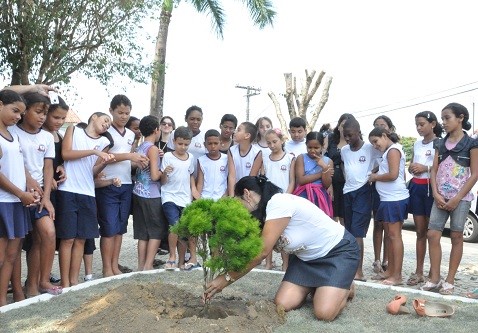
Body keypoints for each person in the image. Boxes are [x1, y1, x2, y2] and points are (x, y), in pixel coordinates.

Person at [204, 176, 359, 322]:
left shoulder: (278, 203)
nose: (238, 208)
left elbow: (261, 252)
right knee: (282, 303)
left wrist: (226, 278)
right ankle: (322, 286)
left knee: (324, 313)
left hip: (338, 251)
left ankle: (347, 284)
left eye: (237, 201)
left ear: (246, 194)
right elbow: (247, 249)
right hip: (305, 259)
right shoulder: (259, 215)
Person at [421, 103, 478, 295]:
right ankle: (434, 278)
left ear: (460, 118)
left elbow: (475, 174)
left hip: (460, 199)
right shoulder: (439, 143)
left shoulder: (471, 144)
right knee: (432, 234)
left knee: (456, 236)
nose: (443, 122)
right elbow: (434, 170)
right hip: (440, 198)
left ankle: (450, 280)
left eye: (447, 118)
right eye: (442, 118)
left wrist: (457, 198)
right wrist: (436, 193)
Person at [55, 112, 115, 288]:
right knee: (67, 238)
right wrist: (94, 151)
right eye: (105, 120)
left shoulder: (104, 142)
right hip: (68, 189)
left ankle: (74, 281)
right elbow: (66, 154)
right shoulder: (74, 130)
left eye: (109, 125)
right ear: (94, 117)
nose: (106, 125)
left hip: (88, 192)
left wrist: (104, 162)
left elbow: (92, 170)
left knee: (81, 239)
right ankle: (65, 282)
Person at [11, 92, 61, 297]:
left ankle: (38, 282)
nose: (42, 117)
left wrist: (47, 197)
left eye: (45, 113)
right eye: (38, 111)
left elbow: (48, 168)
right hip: (16, 196)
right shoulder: (12, 132)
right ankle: (16, 290)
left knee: (47, 234)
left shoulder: (47, 137)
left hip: (40, 196)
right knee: (16, 244)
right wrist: (28, 181)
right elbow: (14, 161)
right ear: (25, 111)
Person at [95, 95, 149, 277]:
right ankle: (106, 268)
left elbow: (129, 160)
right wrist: (129, 156)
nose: (124, 116)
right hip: (107, 184)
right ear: (110, 111)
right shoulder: (105, 131)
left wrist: (139, 161)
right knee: (109, 229)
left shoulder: (132, 134)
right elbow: (102, 158)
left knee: (120, 228)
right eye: (120, 112)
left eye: (127, 113)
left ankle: (114, 265)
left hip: (126, 184)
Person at [0, 90, 39, 306]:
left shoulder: (13, 134)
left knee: (11, 256)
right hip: (3, 202)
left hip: (17, 203)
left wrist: (31, 185)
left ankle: (2, 304)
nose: (18, 117)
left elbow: (18, 164)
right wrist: (20, 193)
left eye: (21, 113)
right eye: (15, 110)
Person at [368, 127, 409, 286]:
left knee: (394, 236)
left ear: (384, 136)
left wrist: (375, 177)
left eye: (376, 141)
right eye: (372, 143)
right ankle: (390, 271)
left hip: (395, 199)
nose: (375, 145)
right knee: (390, 238)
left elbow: (393, 175)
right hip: (387, 199)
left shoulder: (393, 150)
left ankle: (396, 275)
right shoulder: (388, 151)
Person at [341, 118, 380, 282]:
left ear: (358, 132)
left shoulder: (370, 148)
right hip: (347, 192)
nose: (348, 139)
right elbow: (344, 165)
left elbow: (380, 163)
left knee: (358, 233)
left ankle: (359, 272)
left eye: (350, 135)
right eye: (345, 136)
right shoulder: (344, 150)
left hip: (364, 192)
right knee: (348, 231)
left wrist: (370, 175)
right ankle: (349, 269)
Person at [406, 111, 443, 286]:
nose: (419, 128)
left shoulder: (441, 143)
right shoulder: (416, 144)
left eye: (422, 124)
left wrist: (425, 168)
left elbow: (441, 168)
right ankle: (418, 271)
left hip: (431, 188)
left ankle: (433, 273)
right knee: (420, 232)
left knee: (432, 233)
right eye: (417, 125)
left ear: (433, 124)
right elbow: (413, 164)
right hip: (417, 187)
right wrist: (413, 168)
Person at [161, 126, 200, 271]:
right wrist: (164, 172)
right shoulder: (167, 156)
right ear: (174, 141)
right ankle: (172, 256)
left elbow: (190, 175)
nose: (183, 147)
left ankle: (182, 261)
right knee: (174, 226)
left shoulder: (191, 158)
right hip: (169, 196)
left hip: (185, 198)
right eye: (180, 144)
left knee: (185, 230)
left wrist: (194, 190)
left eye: (186, 144)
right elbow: (162, 181)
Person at [132, 115, 167, 271]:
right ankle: (148, 265)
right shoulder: (153, 149)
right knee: (156, 231)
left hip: (137, 193)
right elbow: (154, 176)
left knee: (142, 233)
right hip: (151, 194)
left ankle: (141, 265)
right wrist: (164, 171)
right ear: (156, 130)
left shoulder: (141, 147)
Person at [263, 128, 295, 270]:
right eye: (268, 143)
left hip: (284, 200)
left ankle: (286, 264)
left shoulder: (289, 158)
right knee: (268, 232)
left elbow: (292, 181)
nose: (272, 145)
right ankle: (268, 262)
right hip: (269, 201)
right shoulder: (265, 158)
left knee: (284, 233)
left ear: (282, 140)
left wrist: (286, 196)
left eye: (275, 141)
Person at [370, 115, 397, 273]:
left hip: (391, 192)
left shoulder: (394, 148)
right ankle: (377, 259)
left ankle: (388, 259)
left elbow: (395, 173)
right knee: (378, 224)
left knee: (389, 226)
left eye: (383, 125)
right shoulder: (374, 147)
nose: (380, 127)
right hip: (377, 188)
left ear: (389, 129)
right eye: (376, 125)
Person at [293, 131, 333, 217]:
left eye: (316, 148)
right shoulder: (301, 158)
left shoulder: (328, 161)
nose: (312, 150)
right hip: (303, 194)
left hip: (320, 197)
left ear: (322, 146)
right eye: (309, 147)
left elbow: (326, 184)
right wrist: (323, 172)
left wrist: (324, 167)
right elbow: (301, 180)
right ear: (306, 145)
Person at [325, 113, 356, 225]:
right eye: (342, 125)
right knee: (332, 216)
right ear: (338, 126)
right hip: (331, 179)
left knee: (346, 216)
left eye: (348, 125)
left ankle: (346, 241)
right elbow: (323, 158)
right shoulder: (330, 139)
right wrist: (329, 184)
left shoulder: (355, 141)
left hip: (348, 182)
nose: (344, 128)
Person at [167, 106, 206, 177]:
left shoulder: (205, 137)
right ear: (186, 118)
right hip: (176, 178)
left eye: (198, 119)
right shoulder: (175, 133)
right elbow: (169, 156)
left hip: (198, 180)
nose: (195, 122)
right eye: (192, 119)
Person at [227, 121, 262, 195]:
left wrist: (243, 196)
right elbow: (232, 176)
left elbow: (251, 178)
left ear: (247, 136)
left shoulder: (257, 153)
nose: (234, 132)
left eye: (238, 130)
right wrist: (232, 196)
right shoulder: (231, 150)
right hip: (234, 189)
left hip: (249, 191)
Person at [196, 129, 229, 200]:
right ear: (205, 144)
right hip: (205, 197)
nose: (213, 146)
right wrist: (198, 199)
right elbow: (200, 183)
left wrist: (225, 195)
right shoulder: (201, 160)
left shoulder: (226, 159)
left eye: (216, 143)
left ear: (220, 143)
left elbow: (229, 179)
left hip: (221, 197)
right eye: (210, 143)